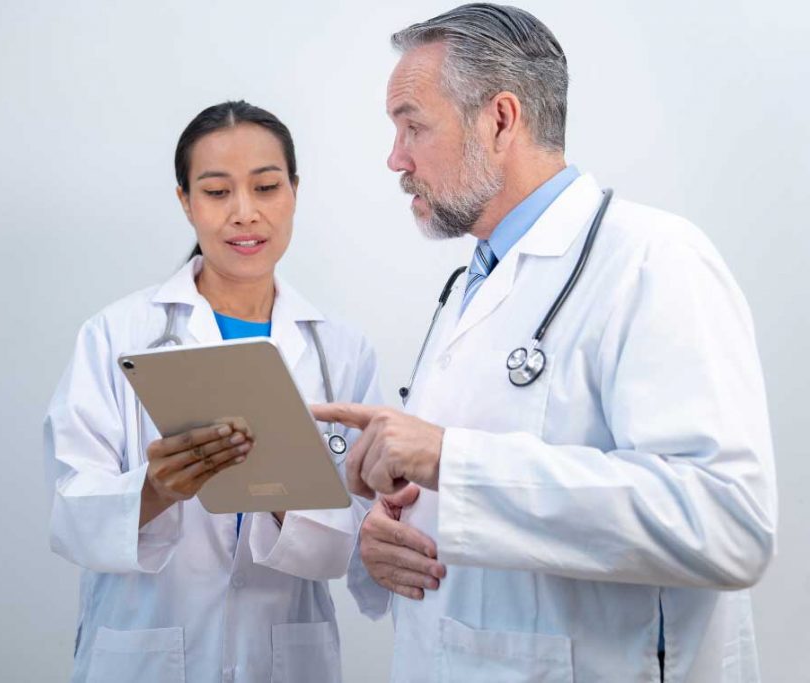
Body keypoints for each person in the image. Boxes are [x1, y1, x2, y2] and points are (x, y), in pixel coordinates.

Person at [313, 4, 777, 682]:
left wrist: (451, 459)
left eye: (412, 125)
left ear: (500, 119)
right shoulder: (468, 286)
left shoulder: (654, 260)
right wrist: (386, 538)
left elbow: (728, 522)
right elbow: (472, 502)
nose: (395, 158)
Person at [45, 100, 379, 683]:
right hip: (147, 656)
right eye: (217, 192)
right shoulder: (115, 335)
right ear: (185, 202)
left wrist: (282, 490)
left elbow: (359, 544)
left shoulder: (343, 353)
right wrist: (153, 491)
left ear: (294, 192)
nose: (244, 214)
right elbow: (71, 509)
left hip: (285, 660)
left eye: (266, 187)